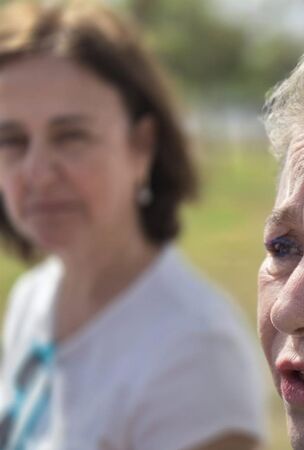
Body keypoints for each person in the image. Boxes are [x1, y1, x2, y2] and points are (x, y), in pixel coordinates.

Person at [0, 2, 264, 449]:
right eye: (11, 140)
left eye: (71, 136)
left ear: (142, 146)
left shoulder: (194, 352)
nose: (37, 172)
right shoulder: (33, 297)